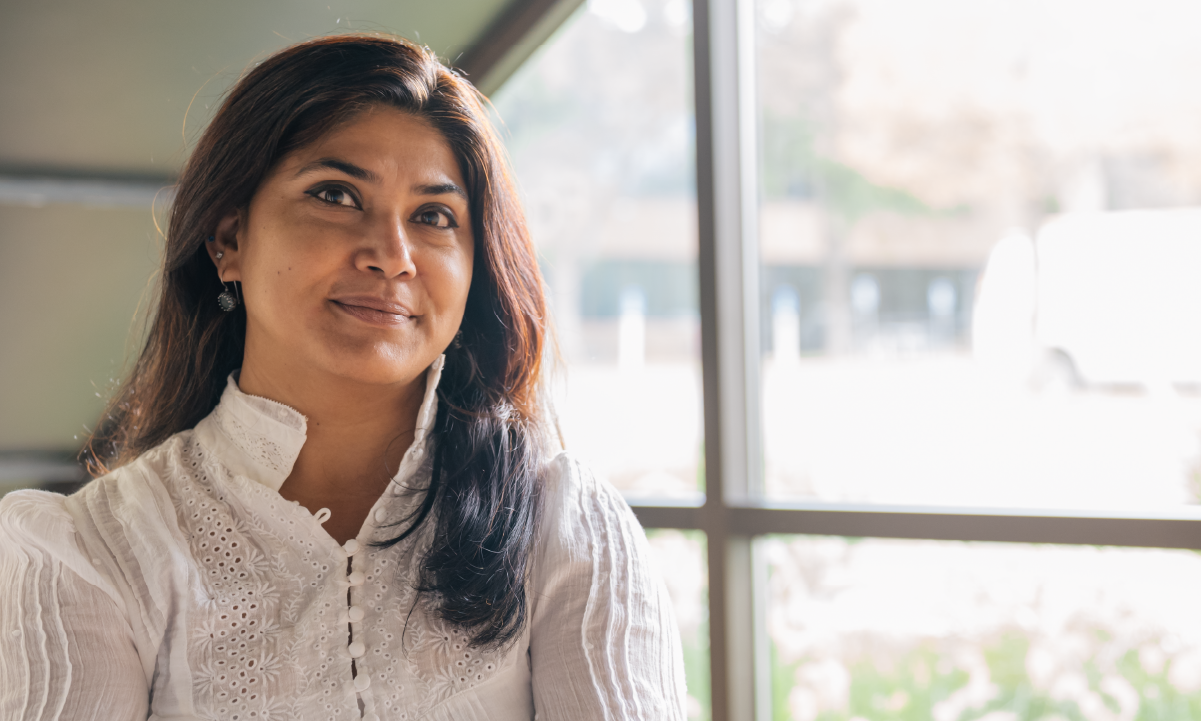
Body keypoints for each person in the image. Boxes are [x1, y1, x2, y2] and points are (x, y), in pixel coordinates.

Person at [0, 34, 687, 720]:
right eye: (336, 195)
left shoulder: (560, 527)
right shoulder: (92, 552)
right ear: (228, 239)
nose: (392, 256)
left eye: (433, 216)